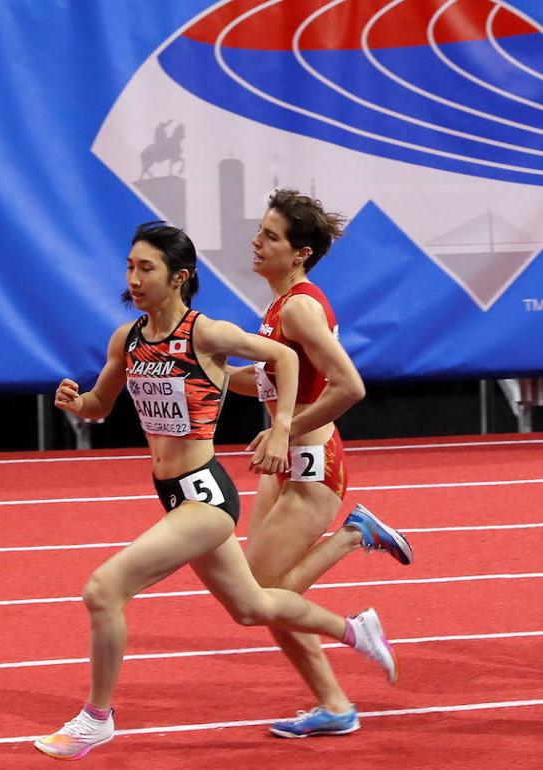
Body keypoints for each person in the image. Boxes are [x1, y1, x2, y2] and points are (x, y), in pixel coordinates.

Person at [35, 223, 397, 761]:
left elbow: (288, 359)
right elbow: (100, 406)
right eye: (130, 267)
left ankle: (96, 719)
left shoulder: (207, 334)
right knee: (251, 607)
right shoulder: (127, 339)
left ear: (180, 276)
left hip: (205, 496)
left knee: (103, 590)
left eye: (147, 268)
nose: (133, 279)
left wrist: (280, 430)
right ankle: (354, 630)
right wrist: (77, 402)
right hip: (173, 493)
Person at [222, 189, 413, 738]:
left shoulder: (301, 306)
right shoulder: (280, 305)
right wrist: (206, 372)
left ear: (300, 252)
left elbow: (349, 386)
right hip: (285, 462)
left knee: (257, 598)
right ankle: (334, 706)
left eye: (271, 236)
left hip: (311, 464)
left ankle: (354, 539)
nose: (256, 242)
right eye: (259, 231)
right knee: (277, 598)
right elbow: (265, 381)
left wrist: (284, 429)